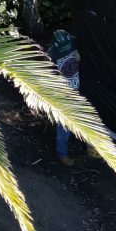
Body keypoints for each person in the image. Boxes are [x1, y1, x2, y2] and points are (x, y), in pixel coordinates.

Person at [47, 30, 80, 166]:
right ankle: (62, 155)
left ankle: (74, 139)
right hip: (63, 95)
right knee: (63, 126)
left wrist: (79, 58)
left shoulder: (74, 41)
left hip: (76, 88)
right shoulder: (51, 55)